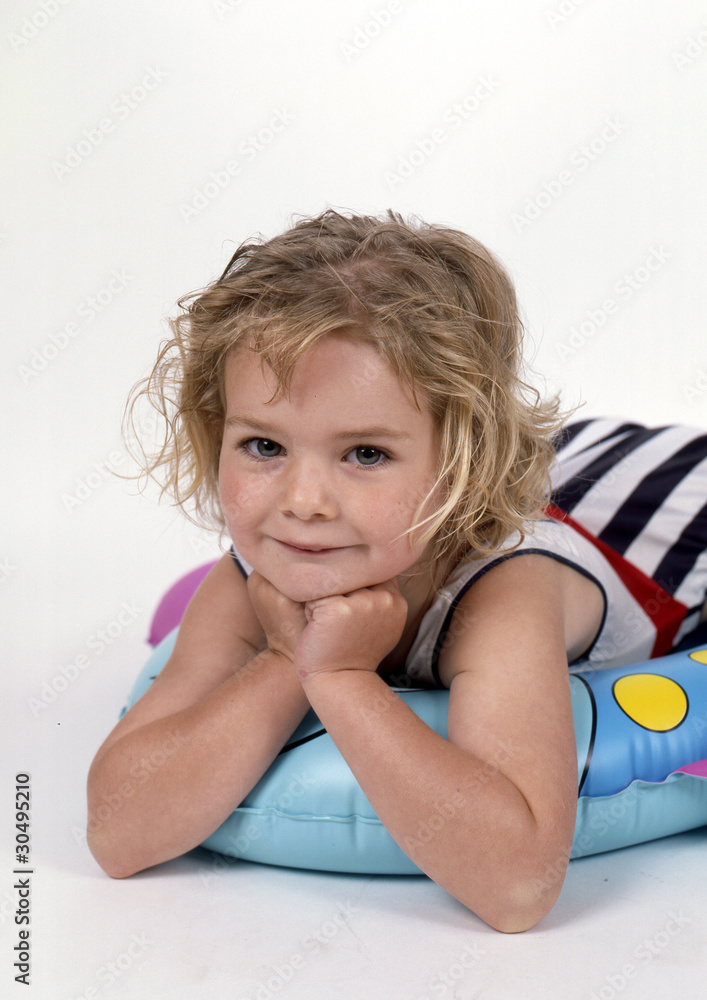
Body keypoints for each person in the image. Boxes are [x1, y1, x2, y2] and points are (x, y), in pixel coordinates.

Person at [86, 210, 707, 933]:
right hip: (568, 471)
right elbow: (116, 834)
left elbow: (518, 889)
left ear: (463, 468)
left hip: (671, 524)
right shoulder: (249, 581)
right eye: (264, 446)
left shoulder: (502, 599)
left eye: (365, 454)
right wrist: (286, 659)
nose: (303, 502)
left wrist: (338, 677)